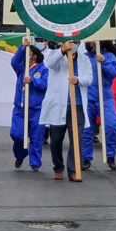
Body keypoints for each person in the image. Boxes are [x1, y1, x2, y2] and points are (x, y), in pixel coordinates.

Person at [40, 40, 92, 182]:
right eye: (70, 42)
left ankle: (73, 170)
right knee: (56, 139)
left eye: (75, 42)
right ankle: (58, 167)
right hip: (59, 104)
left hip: (78, 105)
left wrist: (79, 80)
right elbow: (50, 64)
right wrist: (62, 50)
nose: (72, 44)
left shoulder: (84, 59)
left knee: (77, 138)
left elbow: (89, 78)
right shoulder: (54, 55)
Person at [83, 40, 116, 171]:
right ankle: (86, 158)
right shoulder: (84, 57)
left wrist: (104, 62)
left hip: (106, 97)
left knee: (111, 126)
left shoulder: (109, 56)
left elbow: (113, 73)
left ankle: (111, 155)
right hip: (88, 98)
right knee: (86, 130)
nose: (89, 42)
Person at [10, 39, 49, 171]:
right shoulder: (22, 68)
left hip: (37, 109)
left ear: (35, 56)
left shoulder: (43, 70)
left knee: (36, 138)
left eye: (29, 53)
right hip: (20, 108)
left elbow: (45, 85)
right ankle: (20, 155)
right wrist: (23, 47)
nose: (27, 55)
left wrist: (33, 80)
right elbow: (14, 62)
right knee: (17, 135)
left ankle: (35, 164)